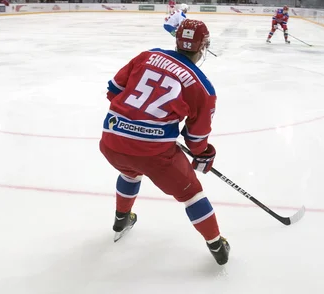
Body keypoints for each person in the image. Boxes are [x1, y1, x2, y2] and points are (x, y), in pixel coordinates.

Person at [99, 19, 230, 265]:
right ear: (202, 46)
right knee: (192, 194)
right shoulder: (203, 87)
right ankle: (217, 247)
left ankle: (121, 219)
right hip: (154, 156)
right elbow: (196, 141)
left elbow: (114, 91)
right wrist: (204, 153)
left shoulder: (147, 56)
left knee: (130, 172)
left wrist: (137, 123)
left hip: (111, 140)